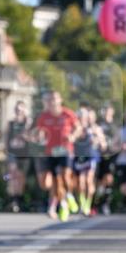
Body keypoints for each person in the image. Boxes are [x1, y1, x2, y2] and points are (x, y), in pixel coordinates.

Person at [31, 91, 80, 221]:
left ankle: (69, 196)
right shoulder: (43, 116)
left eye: (55, 99)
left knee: (65, 176)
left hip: (66, 150)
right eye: (50, 99)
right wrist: (38, 137)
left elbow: (78, 128)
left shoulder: (68, 114)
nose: (52, 101)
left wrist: (73, 136)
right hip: (51, 152)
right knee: (55, 182)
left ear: (60, 100)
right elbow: (39, 132)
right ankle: (63, 204)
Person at [72, 107, 106, 216]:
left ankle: (88, 204)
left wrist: (98, 140)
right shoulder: (77, 128)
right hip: (79, 157)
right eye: (81, 116)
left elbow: (103, 144)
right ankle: (82, 203)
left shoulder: (95, 128)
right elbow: (71, 139)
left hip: (91, 156)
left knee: (88, 180)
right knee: (80, 182)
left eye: (85, 116)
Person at [5, 100, 31, 212]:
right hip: (12, 152)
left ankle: (18, 199)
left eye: (21, 109)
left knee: (21, 177)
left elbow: (32, 137)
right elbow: (6, 137)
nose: (19, 111)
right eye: (17, 109)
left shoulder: (28, 122)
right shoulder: (10, 123)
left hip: (24, 153)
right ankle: (13, 200)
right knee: (13, 174)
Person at [95, 104, 119, 216]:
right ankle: (96, 202)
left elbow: (118, 141)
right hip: (98, 156)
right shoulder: (98, 125)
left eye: (108, 111)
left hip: (110, 156)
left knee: (109, 178)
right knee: (98, 180)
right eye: (104, 111)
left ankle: (105, 203)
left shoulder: (115, 126)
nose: (106, 113)